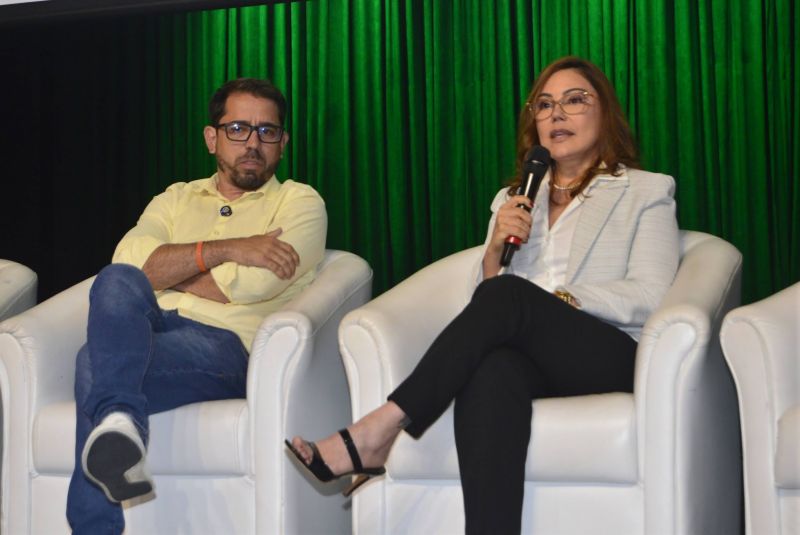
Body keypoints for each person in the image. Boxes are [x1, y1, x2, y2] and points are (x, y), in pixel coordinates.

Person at [287, 56, 680, 534]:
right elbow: (485, 307)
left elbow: (651, 293)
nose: (557, 114)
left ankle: (380, 426)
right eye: (545, 105)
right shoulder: (513, 199)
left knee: (513, 299)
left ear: (606, 114)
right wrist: (494, 252)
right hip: (528, 351)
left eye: (575, 101)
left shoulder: (645, 191)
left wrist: (560, 299)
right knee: (491, 372)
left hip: (610, 350)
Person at [67, 78, 327, 534]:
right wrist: (225, 249)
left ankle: (93, 525)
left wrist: (172, 270)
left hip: (225, 347)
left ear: (283, 144)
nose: (253, 143)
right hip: (151, 331)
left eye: (267, 132)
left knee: (94, 360)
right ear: (212, 138)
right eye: (239, 129)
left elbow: (252, 284)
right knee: (117, 281)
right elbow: (129, 263)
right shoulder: (175, 198)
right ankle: (121, 421)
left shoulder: (300, 202)